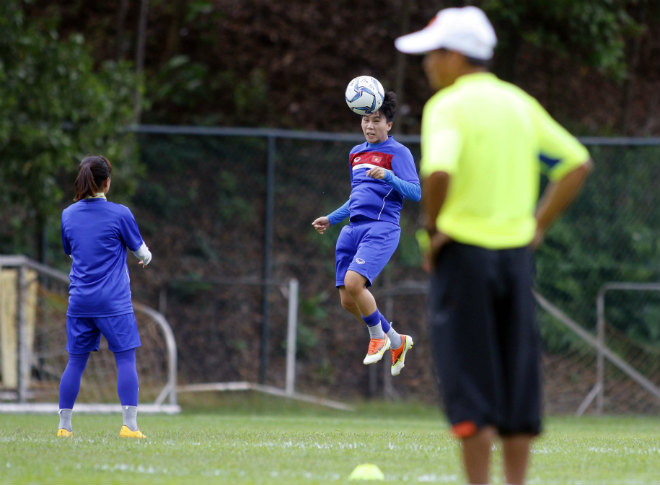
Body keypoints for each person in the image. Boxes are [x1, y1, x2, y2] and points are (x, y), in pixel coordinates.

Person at [395, 6, 592, 485]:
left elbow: (438, 170)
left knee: (469, 376)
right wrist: (535, 226)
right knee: (516, 372)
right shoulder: (518, 103)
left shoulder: (448, 105)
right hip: (516, 259)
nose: (427, 64)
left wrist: (432, 229)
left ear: (458, 55)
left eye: (433, 53)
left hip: (464, 256)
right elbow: (575, 163)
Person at [312, 90, 420, 376]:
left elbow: (416, 192)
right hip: (352, 230)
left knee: (354, 282)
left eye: (376, 120)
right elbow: (357, 197)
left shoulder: (399, 153)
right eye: (365, 119)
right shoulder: (356, 153)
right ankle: (397, 341)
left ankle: (377, 338)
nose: (369, 126)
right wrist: (332, 219)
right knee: (348, 300)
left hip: (382, 227)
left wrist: (389, 176)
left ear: (389, 125)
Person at [57, 155, 152, 439]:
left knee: (75, 362)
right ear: (106, 182)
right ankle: (129, 426)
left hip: (80, 301)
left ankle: (64, 428)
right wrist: (145, 258)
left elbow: (71, 252)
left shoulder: (67, 215)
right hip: (113, 303)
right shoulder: (120, 213)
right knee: (125, 360)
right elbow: (142, 252)